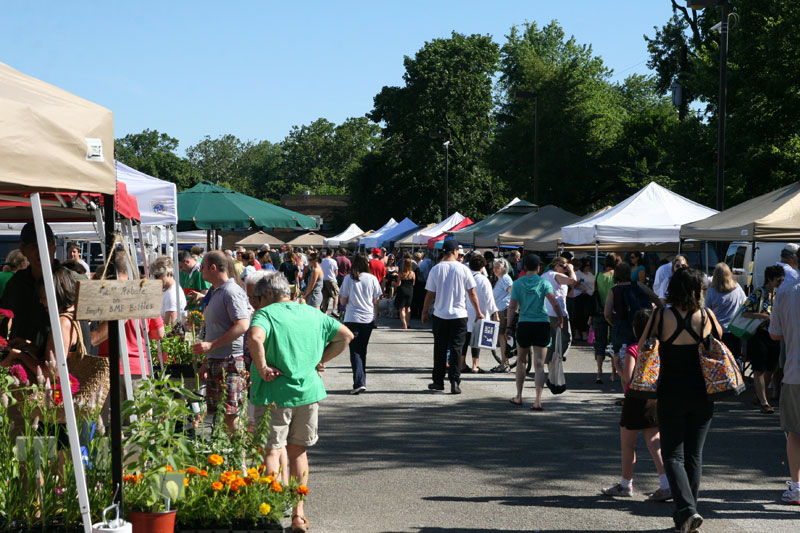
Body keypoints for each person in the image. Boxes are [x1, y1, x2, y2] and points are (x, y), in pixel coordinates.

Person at [247, 271, 353, 533]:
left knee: (271, 451)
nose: (256, 303)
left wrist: (261, 367)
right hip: (307, 392)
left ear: (270, 294)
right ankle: (298, 514)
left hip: (273, 393)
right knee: (298, 453)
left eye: (258, 298)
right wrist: (321, 360)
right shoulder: (313, 313)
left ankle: (270, 513)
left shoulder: (266, 314)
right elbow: (346, 336)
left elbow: (254, 338)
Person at [639, 267, 723, 533]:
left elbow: (643, 345)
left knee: (673, 455)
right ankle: (689, 513)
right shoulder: (707, 315)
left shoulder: (661, 316)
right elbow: (718, 339)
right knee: (693, 456)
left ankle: (687, 511)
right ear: (698, 290)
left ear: (672, 288)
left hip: (671, 391)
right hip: (702, 391)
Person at [603, 309, 671, 502]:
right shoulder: (662, 347)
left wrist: (617, 365)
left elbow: (629, 377)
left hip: (635, 399)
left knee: (627, 443)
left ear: (636, 328)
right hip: (655, 397)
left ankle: (626, 484)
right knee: (654, 442)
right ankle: (666, 483)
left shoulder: (635, 348)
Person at [192, 251, 251, 432]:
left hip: (230, 361)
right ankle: (232, 455)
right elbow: (213, 332)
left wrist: (212, 346)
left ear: (213, 267)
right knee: (222, 414)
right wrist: (206, 361)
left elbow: (242, 325)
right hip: (218, 361)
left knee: (230, 416)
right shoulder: (217, 291)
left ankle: (240, 458)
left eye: (202, 267)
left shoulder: (232, 292)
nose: (200, 271)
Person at [421, 240, 484, 395]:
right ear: (455, 251)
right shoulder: (464, 269)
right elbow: (472, 293)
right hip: (459, 315)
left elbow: (430, 294)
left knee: (440, 348)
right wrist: (478, 311)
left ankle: (438, 381)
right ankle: (455, 382)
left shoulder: (436, 269)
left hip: (440, 314)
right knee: (456, 349)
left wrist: (424, 312)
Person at [507, 254, 562, 410]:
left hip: (524, 324)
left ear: (524, 267)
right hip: (541, 324)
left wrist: (509, 326)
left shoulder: (517, 283)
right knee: (539, 365)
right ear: (539, 267)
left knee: (521, 361)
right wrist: (560, 319)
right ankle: (538, 400)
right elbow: (555, 303)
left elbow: (512, 307)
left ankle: (518, 396)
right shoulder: (544, 282)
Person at [767, 270, 800, 506]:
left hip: (795, 372)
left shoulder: (785, 292)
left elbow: (775, 334)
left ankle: (797, 487)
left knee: (794, 431)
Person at [742, 265, 784, 414]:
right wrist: (764, 316)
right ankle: (764, 402)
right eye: (778, 280)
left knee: (770, 368)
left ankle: (759, 396)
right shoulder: (758, 293)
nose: (780, 283)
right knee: (759, 368)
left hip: (774, 334)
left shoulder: (778, 294)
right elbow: (745, 313)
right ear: (770, 279)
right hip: (759, 334)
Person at [339, 254, 382, 394]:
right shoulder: (372, 278)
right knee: (362, 349)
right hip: (368, 318)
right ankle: (361, 380)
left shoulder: (348, 279)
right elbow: (376, 300)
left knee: (355, 351)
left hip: (352, 318)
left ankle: (359, 382)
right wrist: (376, 315)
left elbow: (343, 301)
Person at [460, 255, 498, 374]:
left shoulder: (465, 278)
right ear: (482, 266)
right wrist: (495, 313)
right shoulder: (483, 279)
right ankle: (475, 365)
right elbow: (489, 299)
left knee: (465, 339)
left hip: (465, 312)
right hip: (479, 312)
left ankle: (461, 364)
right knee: (476, 340)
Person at [703, 263, 746, 361]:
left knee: (719, 359)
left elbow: (707, 311)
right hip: (734, 329)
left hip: (717, 331)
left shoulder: (712, 292)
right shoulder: (737, 288)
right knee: (735, 359)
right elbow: (744, 304)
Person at [542, 257, 577, 365]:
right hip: (558, 312)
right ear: (557, 266)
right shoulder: (556, 275)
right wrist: (571, 269)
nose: (566, 270)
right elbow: (573, 281)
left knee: (551, 340)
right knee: (566, 337)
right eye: (564, 267)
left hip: (546, 312)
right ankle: (559, 359)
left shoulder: (544, 276)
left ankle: (549, 362)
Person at [592, 253, 619, 383]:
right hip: (614, 312)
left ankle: (598, 372)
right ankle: (613, 373)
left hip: (599, 312)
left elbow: (594, 291)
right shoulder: (616, 276)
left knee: (600, 342)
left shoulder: (598, 275)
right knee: (614, 342)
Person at [490, 259, 514, 372]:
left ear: (504, 268)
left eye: (497, 267)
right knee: (501, 337)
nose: (495, 269)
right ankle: (505, 362)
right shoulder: (500, 279)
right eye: (494, 267)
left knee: (502, 337)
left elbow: (513, 292)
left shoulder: (505, 279)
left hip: (503, 310)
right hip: (501, 310)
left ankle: (505, 363)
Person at [151, 256, 186, 326]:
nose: (155, 279)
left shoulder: (171, 294)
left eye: (158, 276)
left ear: (168, 274)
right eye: (154, 276)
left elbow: (170, 325)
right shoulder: (169, 289)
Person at [573, 258, 595, 341]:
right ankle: (579, 332)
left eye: (589, 265)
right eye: (586, 265)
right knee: (579, 315)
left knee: (587, 315)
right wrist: (582, 288)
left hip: (589, 296)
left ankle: (585, 332)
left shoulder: (590, 274)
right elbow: (574, 284)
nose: (588, 267)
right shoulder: (577, 274)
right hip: (580, 296)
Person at [393, 258, 415, 329]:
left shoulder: (401, 273)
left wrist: (394, 283)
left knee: (401, 308)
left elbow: (398, 284)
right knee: (408, 308)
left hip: (402, 290)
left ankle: (404, 324)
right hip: (410, 291)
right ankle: (408, 323)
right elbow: (413, 283)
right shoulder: (412, 273)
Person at [320, 249, 340, 317]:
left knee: (324, 297)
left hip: (323, 280)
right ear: (331, 254)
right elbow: (336, 272)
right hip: (331, 280)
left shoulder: (321, 261)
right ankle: (334, 310)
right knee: (336, 295)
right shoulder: (333, 261)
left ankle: (324, 311)